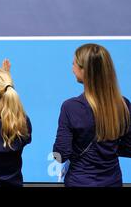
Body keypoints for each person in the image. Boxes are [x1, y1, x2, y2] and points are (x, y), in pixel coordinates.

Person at [53, 43, 131, 187]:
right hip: (112, 181)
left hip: (78, 182)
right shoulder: (123, 104)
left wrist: (57, 156)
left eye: (74, 63)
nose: (72, 67)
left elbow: (61, 154)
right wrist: (107, 151)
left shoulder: (70, 107)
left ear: (85, 71)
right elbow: (128, 147)